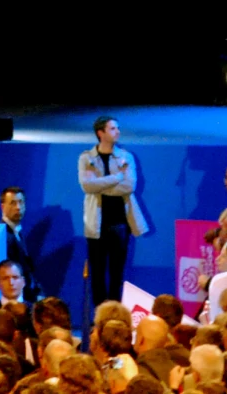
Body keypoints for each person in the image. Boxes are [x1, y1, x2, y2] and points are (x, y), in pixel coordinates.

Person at [78, 116, 147, 313]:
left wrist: (102, 184)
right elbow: (87, 185)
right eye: (112, 128)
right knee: (97, 274)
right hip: (96, 225)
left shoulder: (126, 156)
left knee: (117, 274)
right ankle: (100, 315)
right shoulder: (87, 158)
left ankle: (115, 313)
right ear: (101, 133)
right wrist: (117, 177)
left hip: (120, 224)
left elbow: (129, 186)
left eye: (118, 128)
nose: (117, 131)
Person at [0, 185, 39, 297]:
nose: (18, 207)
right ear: (2, 207)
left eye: (21, 202)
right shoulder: (3, 237)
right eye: (13, 203)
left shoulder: (18, 232)